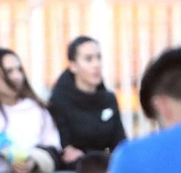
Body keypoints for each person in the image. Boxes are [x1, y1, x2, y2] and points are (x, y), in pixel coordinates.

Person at [49, 36, 128, 164]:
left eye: (98, 58)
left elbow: (120, 142)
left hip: (105, 169)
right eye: (88, 59)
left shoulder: (109, 99)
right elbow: (65, 149)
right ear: (73, 66)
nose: (96, 65)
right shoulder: (59, 101)